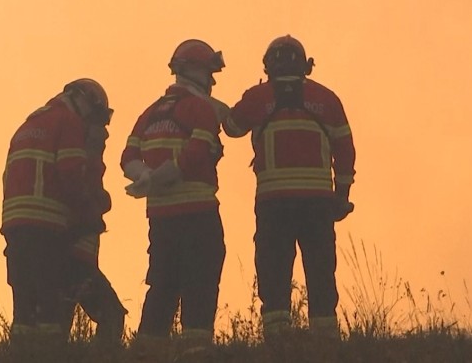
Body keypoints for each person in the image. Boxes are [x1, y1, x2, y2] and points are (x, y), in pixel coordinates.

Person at [222, 35, 356, 339]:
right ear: (305, 65)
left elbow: (230, 128)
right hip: (318, 203)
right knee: (321, 267)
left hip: (273, 202)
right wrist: (343, 193)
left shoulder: (258, 97)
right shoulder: (327, 98)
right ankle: (325, 336)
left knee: (274, 267)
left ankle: (278, 336)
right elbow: (345, 148)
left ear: (268, 65)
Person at [120, 39, 229, 347]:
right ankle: (195, 351)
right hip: (199, 215)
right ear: (194, 71)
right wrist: (160, 178)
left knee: (162, 286)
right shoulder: (201, 109)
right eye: (210, 73)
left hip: (160, 219)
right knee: (200, 283)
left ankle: (147, 352)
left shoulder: (150, 112)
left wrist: (146, 178)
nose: (212, 80)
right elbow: (195, 153)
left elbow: (127, 156)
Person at [0, 78, 117, 346]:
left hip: (15, 228)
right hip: (48, 228)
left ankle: (22, 356)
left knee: (25, 316)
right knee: (52, 314)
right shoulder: (68, 122)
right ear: (83, 101)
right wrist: (91, 207)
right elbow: (71, 172)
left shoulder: (27, 125)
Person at [59, 123, 127, 345]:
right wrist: (100, 201)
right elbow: (80, 197)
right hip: (75, 261)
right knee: (111, 314)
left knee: (58, 323)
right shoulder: (80, 161)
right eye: (100, 124)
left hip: (76, 259)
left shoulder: (82, 159)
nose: (106, 133)